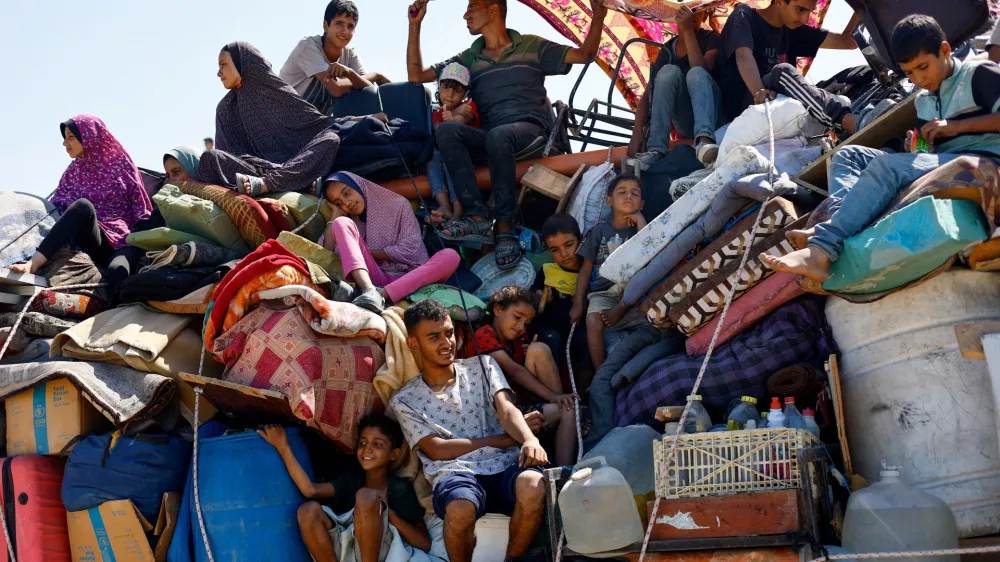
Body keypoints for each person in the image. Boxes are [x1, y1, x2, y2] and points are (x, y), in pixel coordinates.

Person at [762, 14, 1000, 282]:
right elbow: (928, 157)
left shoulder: (979, 74)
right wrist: (916, 149)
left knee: (885, 165)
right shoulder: (923, 101)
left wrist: (956, 127)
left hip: (986, 156)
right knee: (847, 155)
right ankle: (834, 224)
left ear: (944, 50)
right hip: (945, 159)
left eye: (924, 67)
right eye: (910, 72)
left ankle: (821, 250)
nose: (920, 78)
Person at [406, 0, 608, 271]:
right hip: (493, 139)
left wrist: (598, 16)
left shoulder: (532, 46)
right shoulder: (469, 59)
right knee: (448, 130)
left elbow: (584, 54)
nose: (465, 14)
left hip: (531, 132)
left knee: (498, 136)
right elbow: (416, 74)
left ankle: (504, 228)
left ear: (493, 10)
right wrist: (415, 25)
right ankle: (477, 216)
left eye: (472, 7)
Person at [390, 299, 548, 562]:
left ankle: (513, 560)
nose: (446, 343)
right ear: (414, 344)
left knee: (533, 484)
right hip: (455, 473)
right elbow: (436, 449)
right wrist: (501, 439)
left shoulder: (483, 366)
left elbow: (507, 410)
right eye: (434, 337)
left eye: (449, 333)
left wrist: (529, 439)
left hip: (505, 464)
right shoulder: (404, 400)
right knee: (460, 508)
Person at [10, 115, 151, 292]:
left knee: (117, 273)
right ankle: (33, 263)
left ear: (89, 136)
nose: (65, 144)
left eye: (71, 137)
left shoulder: (121, 164)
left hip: (122, 242)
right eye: (64, 138)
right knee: (82, 207)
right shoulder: (72, 171)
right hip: (91, 238)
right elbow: (57, 208)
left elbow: (142, 208)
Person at [259, 417, 430, 562]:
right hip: (346, 549)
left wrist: (389, 513)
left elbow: (424, 543)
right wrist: (283, 448)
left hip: (381, 552)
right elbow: (309, 490)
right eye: (363, 442)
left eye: (377, 444)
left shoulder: (399, 487)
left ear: (395, 454)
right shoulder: (353, 479)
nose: (367, 448)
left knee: (366, 496)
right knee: (308, 511)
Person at [197, 41, 341, 196]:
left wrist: (358, 120)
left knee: (331, 139)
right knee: (211, 158)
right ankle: (298, 182)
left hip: (295, 165)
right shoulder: (225, 109)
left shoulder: (277, 90)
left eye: (223, 64)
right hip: (254, 172)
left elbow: (320, 125)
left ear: (242, 62)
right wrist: (263, 165)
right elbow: (228, 155)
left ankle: (270, 183)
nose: (219, 73)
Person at [460, 286, 578, 466]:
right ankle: (560, 409)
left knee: (568, 408)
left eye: (527, 322)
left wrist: (527, 353)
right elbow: (515, 372)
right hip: (497, 417)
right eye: (517, 317)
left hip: (521, 406)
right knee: (563, 405)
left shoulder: (517, 341)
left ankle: (564, 470)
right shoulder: (483, 335)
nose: (521, 326)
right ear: (498, 310)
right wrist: (553, 396)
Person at [717, 0, 868, 135]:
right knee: (782, 71)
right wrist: (759, 92)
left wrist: (863, 6)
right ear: (780, 2)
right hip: (750, 103)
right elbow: (743, 56)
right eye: (800, 10)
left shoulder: (792, 29)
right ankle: (846, 120)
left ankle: (867, 113)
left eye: (810, 12)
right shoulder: (745, 15)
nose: (805, 19)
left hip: (786, 98)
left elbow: (848, 41)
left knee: (862, 73)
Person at [321, 172, 461, 313]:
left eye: (347, 193)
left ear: (359, 185)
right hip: (374, 279)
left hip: (410, 279)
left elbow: (411, 250)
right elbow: (326, 254)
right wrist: (335, 215)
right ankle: (369, 291)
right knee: (341, 223)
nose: (346, 203)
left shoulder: (399, 205)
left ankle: (379, 297)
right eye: (339, 203)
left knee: (451, 256)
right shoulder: (350, 221)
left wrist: (361, 252)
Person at [628, 5, 723, 170]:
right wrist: (637, 132)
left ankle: (705, 142)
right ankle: (656, 149)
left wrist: (687, 32)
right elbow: (649, 93)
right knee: (667, 71)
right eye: (684, 9)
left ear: (705, 12)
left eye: (696, 9)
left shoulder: (711, 38)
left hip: (712, 115)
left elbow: (703, 69)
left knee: (696, 74)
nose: (690, 13)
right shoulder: (667, 50)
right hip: (686, 121)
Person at [569, 174, 645, 370]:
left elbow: (649, 249)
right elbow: (585, 269)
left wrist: (641, 221)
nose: (629, 196)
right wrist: (578, 303)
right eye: (622, 192)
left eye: (634, 193)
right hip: (603, 293)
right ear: (609, 201)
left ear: (642, 203)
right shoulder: (598, 231)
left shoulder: (644, 228)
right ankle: (600, 372)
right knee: (592, 320)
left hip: (634, 290)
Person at [279, 0, 391, 116]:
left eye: (350, 26)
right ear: (326, 25)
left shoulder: (350, 54)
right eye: (339, 24)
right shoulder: (308, 46)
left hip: (315, 123)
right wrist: (374, 76)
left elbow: (368, 91)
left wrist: (351, 74)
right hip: (285, 118)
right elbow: (336, 89)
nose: (345, 31)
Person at [532, 213, 592, 387]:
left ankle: (580, 397)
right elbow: (533, 299)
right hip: (550, 327)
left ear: (580, 241)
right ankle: (556, 393)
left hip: (578, 327)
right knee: (552, 339)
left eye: (569, 245)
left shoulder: (589, 271)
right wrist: (537, 297)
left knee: (586, 341)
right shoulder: (547, 271)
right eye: (555, 250)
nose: (564, 254)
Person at [426, 62, 480, 224]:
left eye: (457, 90)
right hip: (442, 153)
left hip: (466, 155)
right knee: (432, 157)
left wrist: (454, 116)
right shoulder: (435, 113)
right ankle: (444, 205)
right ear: (439, 87)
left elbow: (458, 123)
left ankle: (458, 208)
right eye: (446, 87)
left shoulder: (469, 106)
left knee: (449, 160)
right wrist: (453, 113)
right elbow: (436, 129)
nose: (450, 94)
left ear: (465, 93)